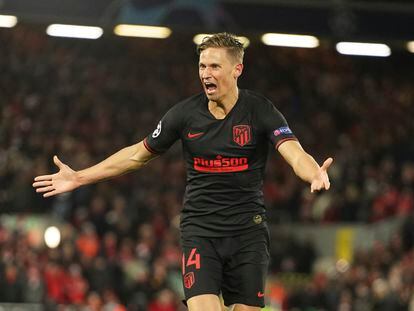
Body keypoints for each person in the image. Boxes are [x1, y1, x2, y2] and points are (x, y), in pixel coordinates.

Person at [33, 33, 333, 311]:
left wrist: (314, 174)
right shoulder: (185, 114)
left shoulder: (260, 111)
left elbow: (294, 153)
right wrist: (80, 176)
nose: (205, 74)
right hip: (200, 232)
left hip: (247, 234)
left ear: (237, 69)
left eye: (215, 66)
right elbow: (138, 155)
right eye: (202, 66)